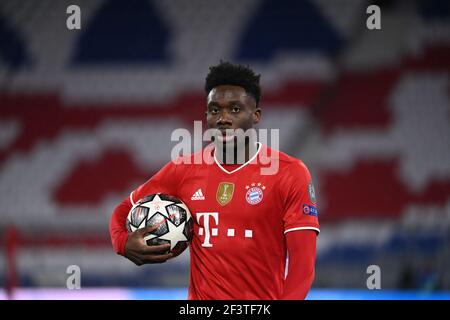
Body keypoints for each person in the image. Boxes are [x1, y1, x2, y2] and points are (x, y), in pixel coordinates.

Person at [109, 61, 320, 299]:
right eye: (215, 110)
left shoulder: (289, 173)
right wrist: (122, 242)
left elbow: (303, 269)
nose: (223, 118)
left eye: (235, 109)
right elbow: (124, 208)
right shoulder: (183, 170)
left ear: (256, 116)